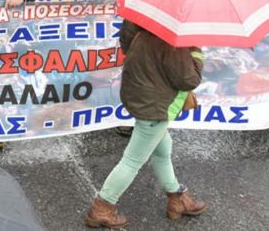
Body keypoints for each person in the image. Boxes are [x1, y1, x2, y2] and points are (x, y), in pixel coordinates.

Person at [84, 20, 207, 228]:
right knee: (132, 160)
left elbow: (127, 43)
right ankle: (102, 207)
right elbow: (188, 80)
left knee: (162, 148)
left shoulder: (142, 17)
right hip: (155, 105)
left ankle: (177, 198)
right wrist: (195, 53)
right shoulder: (172, 36)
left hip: (140, 93)